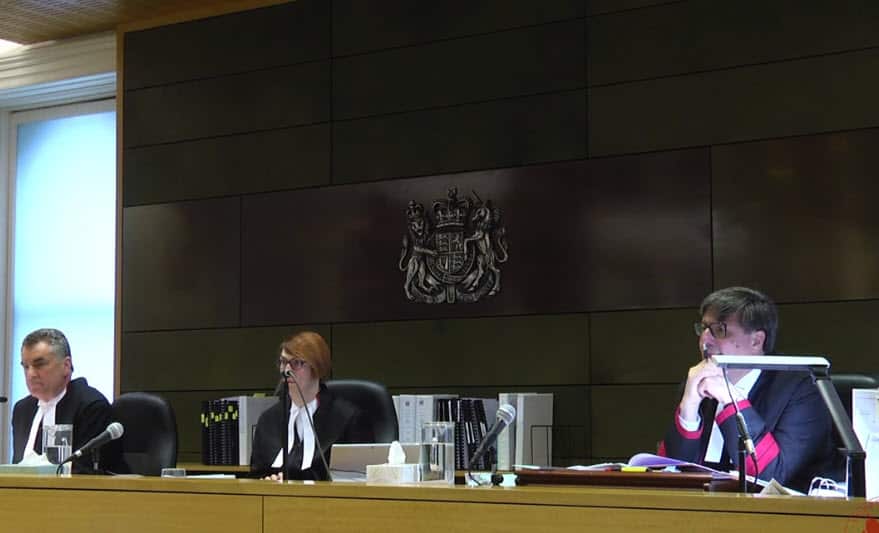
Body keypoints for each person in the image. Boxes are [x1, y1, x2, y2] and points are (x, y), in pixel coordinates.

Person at [658, 287, 837, 492]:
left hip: (781, 515)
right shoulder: (697, 383)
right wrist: (688, 405)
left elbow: (770, 478)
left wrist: (730, 400)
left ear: (756, 341)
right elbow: (673, 471)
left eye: (719, 329)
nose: (704, 341)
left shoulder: (802, 389)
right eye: (703, 328)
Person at [250, 331, 372, 480]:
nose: (286, 370)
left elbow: (357, 480)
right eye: (283, 362)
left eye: (296, 363)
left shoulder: (348, 418)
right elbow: (255, 474)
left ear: (317, 367)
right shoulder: (268, 420)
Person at [11, 328, 119, 473]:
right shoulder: (23, 410)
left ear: (66, 366)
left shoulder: (91, 406)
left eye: (39, 364)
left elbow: (85, 474)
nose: (30, 374)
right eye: (25, 366)